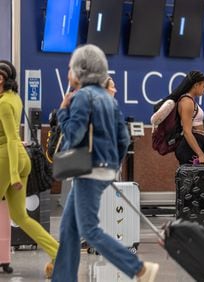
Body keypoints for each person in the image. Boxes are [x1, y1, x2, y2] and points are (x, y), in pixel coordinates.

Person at [51, 44, 159, 282]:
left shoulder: (81, 97)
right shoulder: (109, 99)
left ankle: (138, 268)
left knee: (89, 230)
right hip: (104, 169)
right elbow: (123, 139)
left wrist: (62, 112)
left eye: (71, 67)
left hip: (88, 170)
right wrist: (111, 165)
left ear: (81, 70)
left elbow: (73, 135)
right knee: (69, 230)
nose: (69, 72)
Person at [0, 60, 59, 279]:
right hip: (18, 158)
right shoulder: (14, 98)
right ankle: (57, 251)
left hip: (8, 158)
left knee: (21, 216)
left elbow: (12, 138)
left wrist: (13, 174)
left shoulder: (5, 103)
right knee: (20, 216)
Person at [152, 71, 204, 165]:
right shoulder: (187, 102)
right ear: (196, 85)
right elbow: (187, 132)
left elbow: (193, 124)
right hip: (189, 150)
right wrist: (200, 154)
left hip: (193, 148)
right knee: (191, 179)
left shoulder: (190, 100)